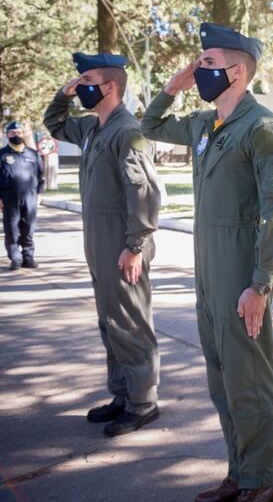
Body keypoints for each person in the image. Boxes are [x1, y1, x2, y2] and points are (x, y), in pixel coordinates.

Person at [141, 23, 273, 502]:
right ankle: (239, 472)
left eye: (208, 64)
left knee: (249, 379)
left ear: (238, 72)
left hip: (240, 270)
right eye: (199, 63)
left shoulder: (263, 129)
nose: (199, 70)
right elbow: (149, 127)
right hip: (207, 269)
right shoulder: (204, 125)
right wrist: (172, 88)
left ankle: (262, 480)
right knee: (222, 380)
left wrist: (262, 283)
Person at [43, 53, 162, 436]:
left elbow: (143, 191)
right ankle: (124, 394)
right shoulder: (94, 128)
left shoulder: (127, 131)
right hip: (100, 242)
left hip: (123, 244)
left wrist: (135, 245)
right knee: (111, 323)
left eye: (87, 80)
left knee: (130, 324)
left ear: (110, 86)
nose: (81, 86)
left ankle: (143, 403)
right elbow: (55, 123)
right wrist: (64, 94)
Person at [0, 120, 44, 271]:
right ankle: (15, 258)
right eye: (12, 133)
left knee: (28, 229)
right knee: (12, 230)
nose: (16, 135)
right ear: (7, 134)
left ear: (23, 134)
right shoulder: (2, 155)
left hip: (30, 198)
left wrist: (39, 194)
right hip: (9, 199)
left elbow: (40, 175)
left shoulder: (33, 154)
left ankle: (28, 257)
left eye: (19, 133)